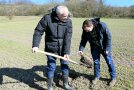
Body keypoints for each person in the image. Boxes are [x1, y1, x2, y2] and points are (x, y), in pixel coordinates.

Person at [32, 5, 73, 90]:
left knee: (65, 65)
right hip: (51, 49)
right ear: (57, 14)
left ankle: (66, 84)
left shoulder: (68, 21)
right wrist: (35, 45)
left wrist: (66, 52)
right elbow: (38, 31)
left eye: (67, 15)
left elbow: (68, 38)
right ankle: (49, 87)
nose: (66, 18)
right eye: (64, 16)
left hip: (63, 48)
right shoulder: (47, 18)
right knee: (51, 67)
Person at [78, 18, 116, 87]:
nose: (86, 31)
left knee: (109, 62)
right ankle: (96, 77)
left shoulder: (102, 26)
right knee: (96, 62)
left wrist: (107, 48)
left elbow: (108, 37)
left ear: (91, 26)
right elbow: (83, 40)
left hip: (104, 48)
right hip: (94, 48)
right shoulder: (85, 30)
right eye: (85, 30)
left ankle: (113, 78)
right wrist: (81, 49)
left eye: (87, 29)